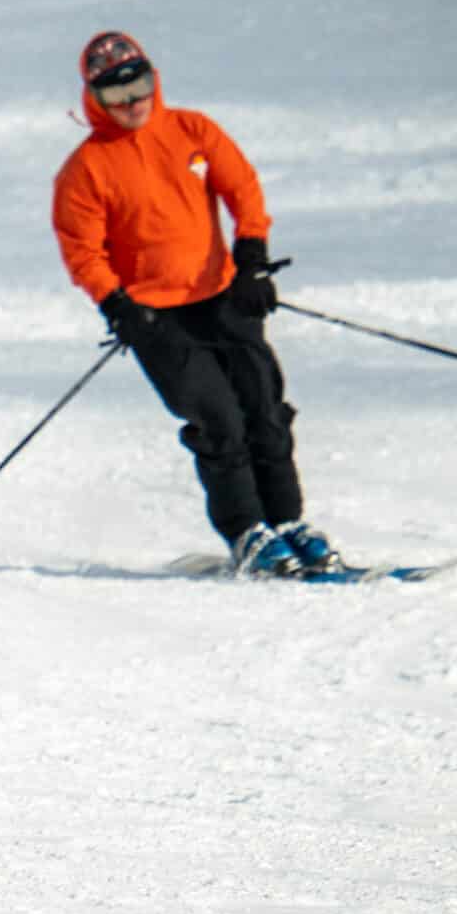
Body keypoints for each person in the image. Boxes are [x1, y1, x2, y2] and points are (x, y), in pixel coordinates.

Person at [51, 31, 339, 578]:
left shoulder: (191, 130)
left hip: (225, 298)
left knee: (265, 412)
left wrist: (251, 255)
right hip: (157, 319)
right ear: (95, 99)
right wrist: (118, 304)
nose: (132, 104)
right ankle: (247, 532)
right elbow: (81, 249)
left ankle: (288, 522)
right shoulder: (86, 169)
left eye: (138, 87)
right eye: (116, 96)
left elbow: (242, 187)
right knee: (219, 421)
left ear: (153, 80)